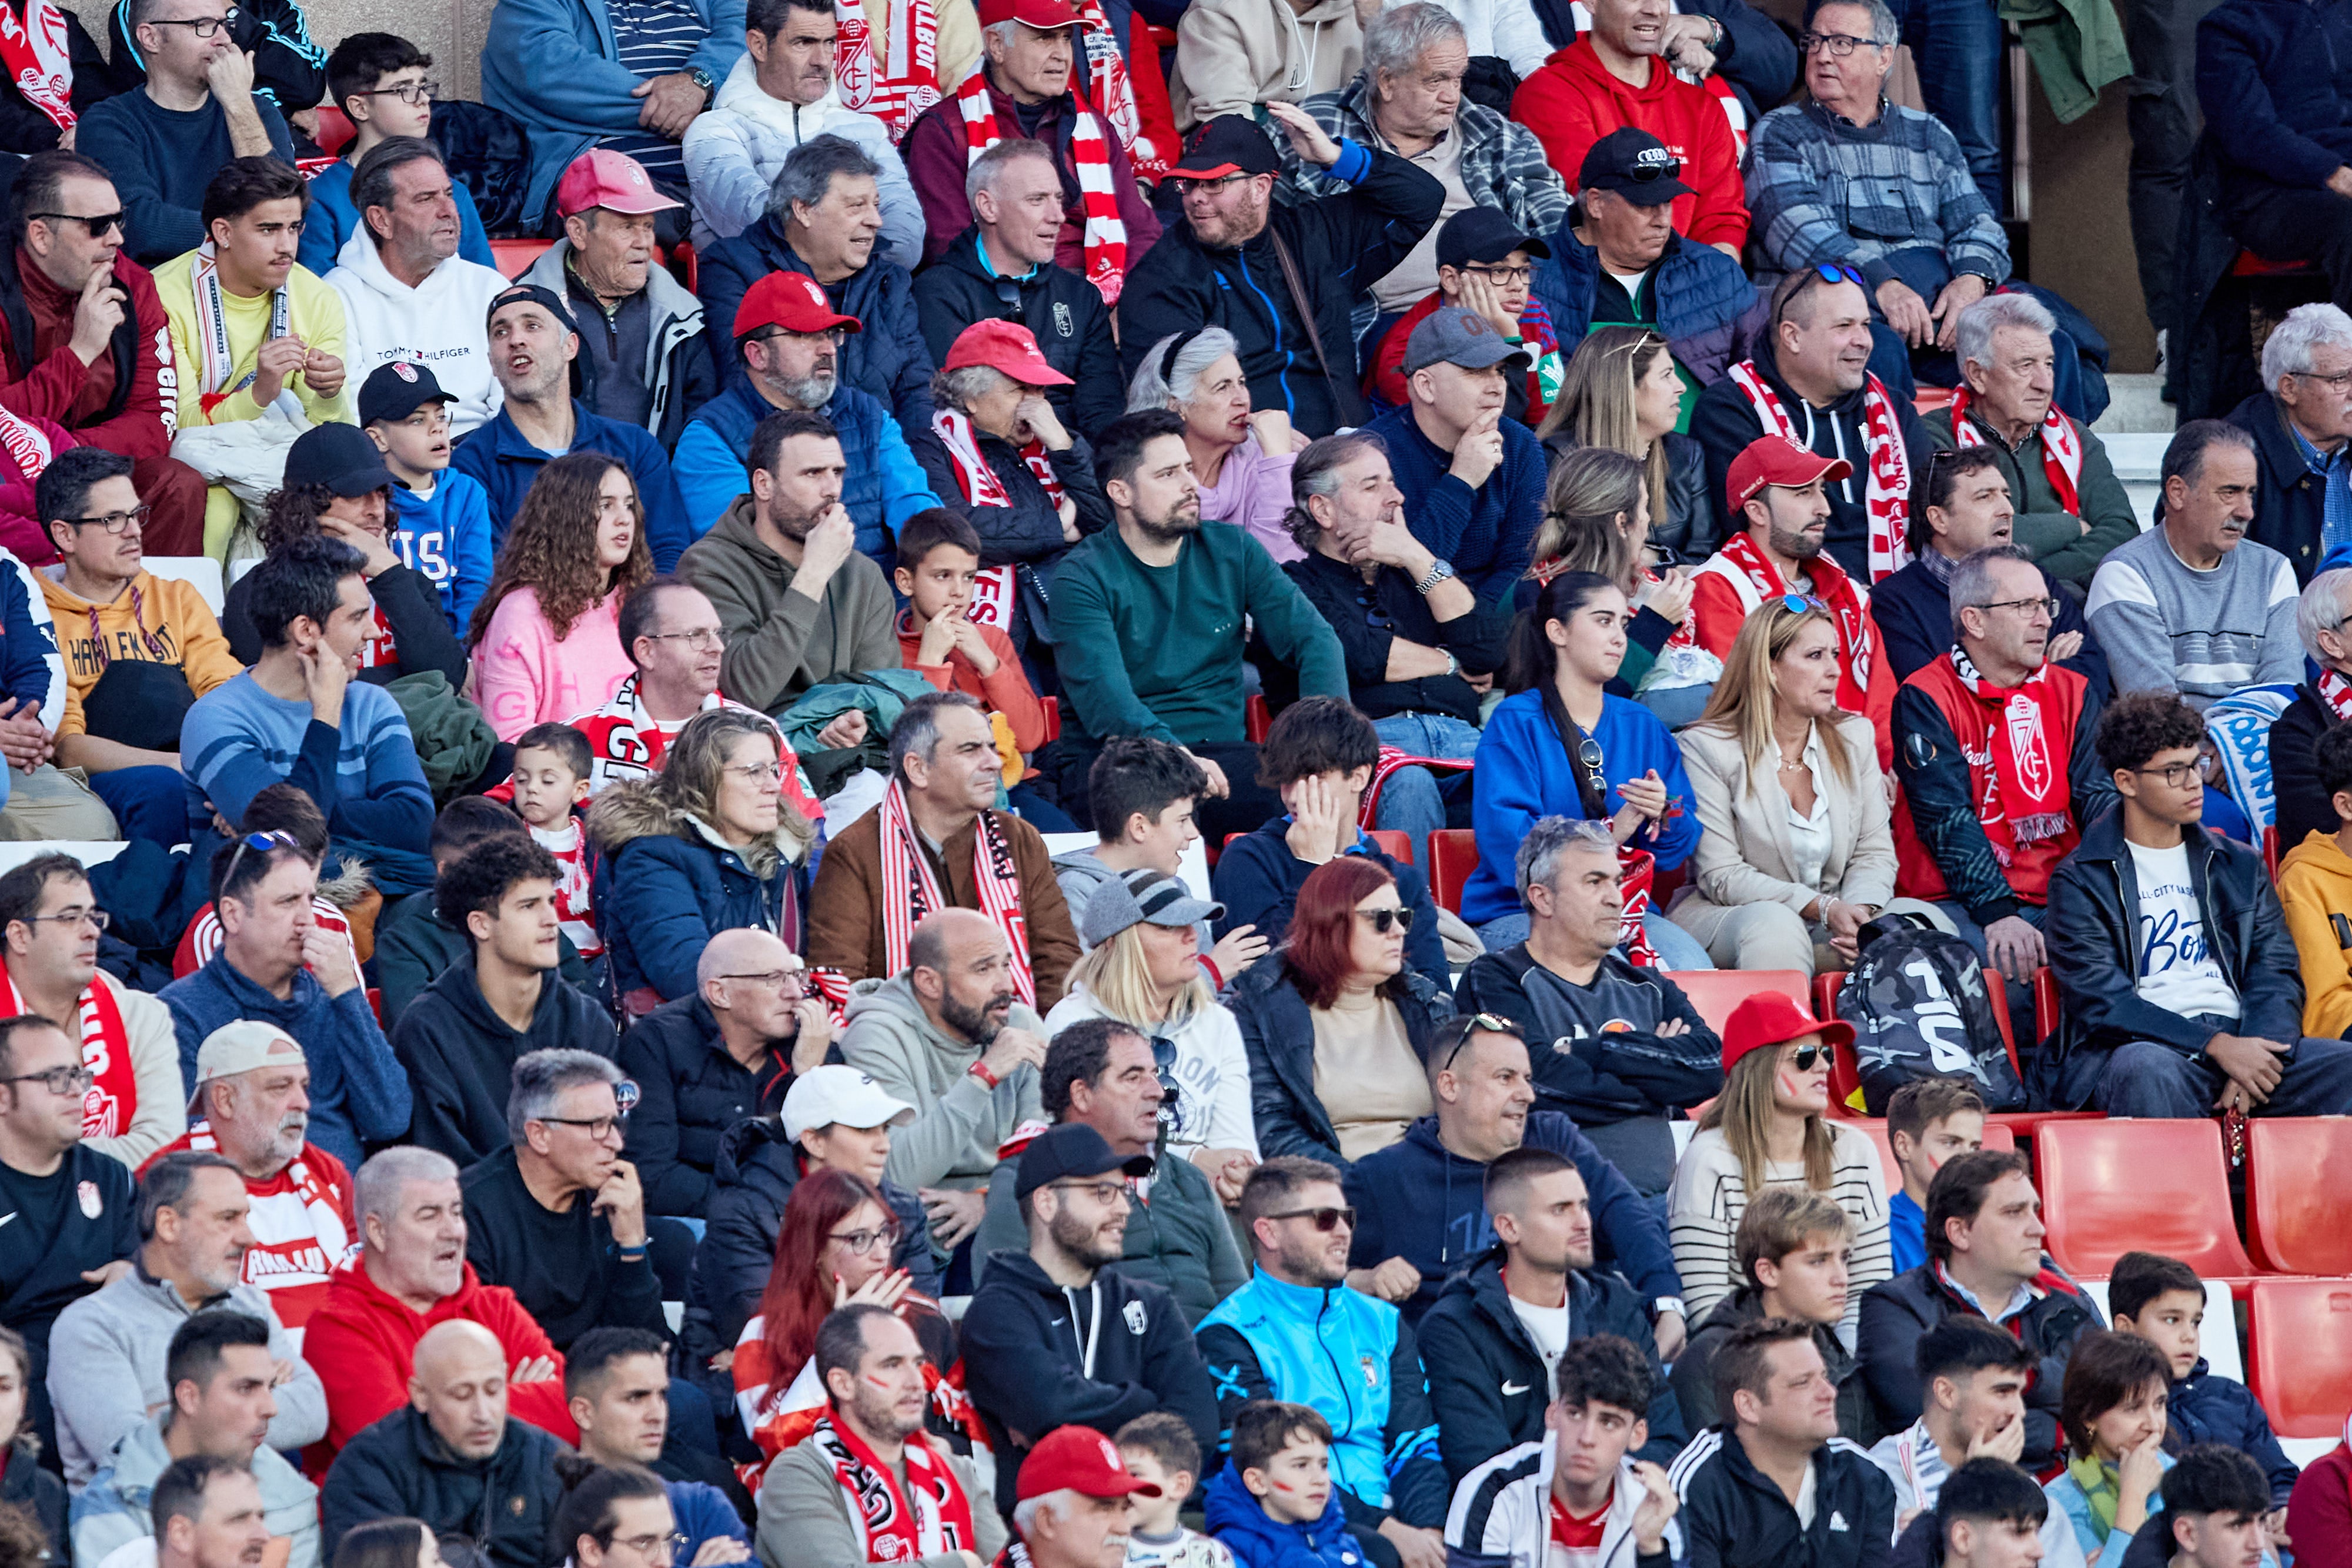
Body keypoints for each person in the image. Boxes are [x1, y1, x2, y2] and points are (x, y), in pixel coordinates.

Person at [1746, 5, 2100, 416]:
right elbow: (1796, 231)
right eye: (1816, 42)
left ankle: (2050, 476)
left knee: (2045, 348)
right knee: (1876, 352)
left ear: (1884, 56)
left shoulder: (1929, 134)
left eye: (1842, 44)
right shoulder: (1780, 131)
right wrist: (1884, 284)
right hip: (1842, 311)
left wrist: (1970, 281)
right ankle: (1898, 477)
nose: (1823, 55)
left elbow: (1979, 223)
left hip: (1935, 314)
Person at [2046, 688, 2352, 1115]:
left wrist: (2258, 1056)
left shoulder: (2240, 865)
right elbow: (2103, 1001)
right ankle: (2185, 1185)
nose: (2195, 782)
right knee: (2145, 1070)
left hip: (2244, 1037)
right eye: (2174, 771)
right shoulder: (2082, 878)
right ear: (2126, 781)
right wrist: (2215, 1046)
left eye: (2197, 763)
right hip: (2150, 1044)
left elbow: (2276, 972)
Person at [1050, 410, 1348, 842]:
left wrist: (1322, 747)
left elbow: (1315, 639)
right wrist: (1180, 760)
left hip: (1222, 755)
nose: (1190, 483)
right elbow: (1109, 705)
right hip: (1119, 762)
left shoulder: (1231, 548)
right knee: (1270, 803)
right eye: (1169, 473)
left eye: (1189, 468)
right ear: (1121, 492)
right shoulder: (1082, 577)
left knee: (1318, 789)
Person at [1340, 1014, 1683, 1336]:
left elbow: (1622, 1211)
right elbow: (1306, 1275)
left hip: (1570, 1355)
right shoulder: (1382, 1178)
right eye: (1506, 1078)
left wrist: (1665, 1303)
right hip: (1450, 1373)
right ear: (1449, 1086)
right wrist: (1363, 1281)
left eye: (1528, 1079)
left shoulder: (1552, 1139)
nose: (1528, 1095)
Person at [1120, 112, 1445, 441]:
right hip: (1243, 460)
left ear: (1261, 187)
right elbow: (1169, 400)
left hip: (1346, 447)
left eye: (1214, 183)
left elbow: (1422, 200)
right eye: (1189, 183)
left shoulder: (1313, 234)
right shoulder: (1162, 276)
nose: (1195, 197)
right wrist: (1258, 445)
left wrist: (1336, 156)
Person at [958, 1121, 1220, 1509]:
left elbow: (1198, 1425)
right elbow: (1047, 1406)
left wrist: (1075, 1418)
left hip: (1148, 1522)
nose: (1123, 1207)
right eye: (1102, 1192)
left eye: (1123, 1191)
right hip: (1045, 1537)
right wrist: (1147, 1401)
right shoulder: (997, 1310)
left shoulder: (1151, 1304)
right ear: (1046, 1202)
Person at [1454, 817, 1721, 1195]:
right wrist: (1659, 1084)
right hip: (1550, 1213)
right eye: (1595, 882)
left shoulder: (1648, 986)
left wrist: (1596, 1051)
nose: (1616, 897)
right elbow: (1536, 1084)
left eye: (1617, 881)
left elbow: (1709, 1068)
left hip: (1662, 1206)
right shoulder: (1496, 979)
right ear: (1543, 898)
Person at [1891, 543, 2112, 999]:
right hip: (1958, 900)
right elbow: (1947, 820)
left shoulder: (2073, 691)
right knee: (2005, 982)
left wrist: (2102, 897)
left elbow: (2099, 800)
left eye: (2044, 604)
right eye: (2024, 606)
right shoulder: (1926, 696)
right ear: (1974, 621)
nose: (2045, 620)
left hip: (2060, 892)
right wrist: (1998, 912)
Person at [1459, 570, 1705, 963]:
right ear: (1558, 632)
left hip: (1624, 910)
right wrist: (1609, 834)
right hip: (1525, 913)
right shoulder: (1515, 722)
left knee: (1693, 969)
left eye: (1624, 623)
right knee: (1613, 974)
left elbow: (1677, 845)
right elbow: (1511, 848)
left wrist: (1665, 809)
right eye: (1604, 620)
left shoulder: (1642, 725)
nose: (1620, 637)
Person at [176, 533, 437, 891]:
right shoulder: (217, 718)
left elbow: (416, 824)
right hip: (265, 919)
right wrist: (326, 714)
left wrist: (298, 817)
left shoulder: (373, 705)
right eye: (358, 617)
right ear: (306, 631)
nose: (375, 633)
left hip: (381, 904)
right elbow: (283, 840)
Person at [1277, 437, 1510, 839]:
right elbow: (1360, 653)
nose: (1396, 497)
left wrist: (1417, 556)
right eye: (1372, 487)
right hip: (1370, 747)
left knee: (1521, 774)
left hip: (1462, 738)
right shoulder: (1294, 583)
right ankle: (1411, 905)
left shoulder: (1419, 572)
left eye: (1392, 482)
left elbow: (1487, 650)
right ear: (1323, 509)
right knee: (1411, 784)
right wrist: (1452, 662)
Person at [46, 1149, 325, 1485]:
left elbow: (311, 1412)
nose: (249, 1238)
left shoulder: (251, 1304)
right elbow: (132, 1453)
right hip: (144, 1530)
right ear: (168, 1224)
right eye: (227, 1218)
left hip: (261, 1520)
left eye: (245, 1217)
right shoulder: (91, 1325)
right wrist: (261, 1394)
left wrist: (174, 1414)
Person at [1284, 6, 1570, 328]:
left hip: (1492, 320)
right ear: (1388, 81)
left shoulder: (1497, 136)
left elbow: (1560, 233)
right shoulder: (1316, 127)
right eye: (1437, 80)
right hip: (1365, 322)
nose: (1452, 96)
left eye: (1459, 77)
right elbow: (1270, 240)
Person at [1416, 1144, 1685, 1484]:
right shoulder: (1456, 1326)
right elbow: (1480, 1464)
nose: (1583, 1223)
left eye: (1583, 1206)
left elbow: (1665, 1437)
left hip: (1621, 1514)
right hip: (1512, 1523)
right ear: (1509, 1228)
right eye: (1560, 1210)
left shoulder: (1616, 1305)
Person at [156, 825, 409, 1169]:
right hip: (248, 1208)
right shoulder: (181, 1012)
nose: (307, 919)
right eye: (288, 902)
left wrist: (349, 994)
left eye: (311, 899)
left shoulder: (333, 997)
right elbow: (186, 1149)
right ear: (233, 915)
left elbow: (390, 1119)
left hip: (343, 1209)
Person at [1670, 596, 1896, 978]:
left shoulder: (1854, 735)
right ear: (1770, 668)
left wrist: (1860, 919)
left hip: (1836, 920)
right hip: (1735, 915)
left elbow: (1874, 852)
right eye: (1815, 656)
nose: (1835, 670)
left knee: (1925, 922)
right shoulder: (1707, 748)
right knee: (1776, 926)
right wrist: (1822, 907)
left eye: (1836, 654)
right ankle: (1788, 1041)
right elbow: (1722, 875)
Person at [808, 690, 1082, 1002]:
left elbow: (1058, 961)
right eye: (971, 750)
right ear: (919, 769)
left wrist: (1042, 1040)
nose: (994, 762)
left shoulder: (1018, 838)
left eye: (991, 747)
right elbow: (838, 983)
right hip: (902, 1042)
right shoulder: (854, 854)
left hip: (1022, 1034)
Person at [299, 1146, 576, 1456]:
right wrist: (517, 1397)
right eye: (430, 1216)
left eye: (456, 1212)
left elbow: (579, 1413)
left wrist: (444, 1414)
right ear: (378, 1231)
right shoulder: (337, 1328)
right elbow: (402, 1448)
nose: (454, 1232)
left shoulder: (497, 1308)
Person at [972, 1015, 1248, 1323]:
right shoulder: (1027, 1179)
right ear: (1082, 1095)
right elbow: (1008, 1313)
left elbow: (1237, 1303)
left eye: (1155, 1075)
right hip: (1105, 1365)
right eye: (1133, 1078)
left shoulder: (1188, 1179)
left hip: (1212, 1362)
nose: (1158, 1091)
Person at [0, 151, 207, 556]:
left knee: (178, 483)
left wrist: (69, 453)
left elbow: (155, 421)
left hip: (95, 466)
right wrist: (79, 353)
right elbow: (2, 427)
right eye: (98, 226)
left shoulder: (135, 285)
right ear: (41, 235)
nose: (118, 238)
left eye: (119, 219)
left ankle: (159, 614)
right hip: (9, 482)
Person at [34, 446, 242, 845]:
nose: (134, 531)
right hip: (102, 782)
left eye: (135, 514)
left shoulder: (177, 597)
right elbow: (69, 749)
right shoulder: (39, 615)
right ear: (64, 534)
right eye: (113, 519)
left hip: (188, 759)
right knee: (162, 789)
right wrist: (177, 765)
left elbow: (224, 691)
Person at [154, 159, 352, 559]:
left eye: (294, 228)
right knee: (217, 511)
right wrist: (261, 392)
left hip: (281, 457)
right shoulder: (163, 295)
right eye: (268, 230)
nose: (287, 246)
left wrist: (330, 392)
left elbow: (330, 432)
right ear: (223, 232)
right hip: (197, 460)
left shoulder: (318, 297)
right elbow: (177, 426)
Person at [1855, 1149, 2098, 1471]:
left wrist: (2027, 1377)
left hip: (2066, 1500)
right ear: (1960, 1232)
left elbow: (2107, 1402)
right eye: (2014, 1212)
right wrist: (2058, 1432)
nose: (2038, 1228)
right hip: (1948, 1501)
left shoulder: (2065, 1299)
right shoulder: (1895, 1305)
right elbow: (1928, 1419)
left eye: (2034, 1211)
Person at [836, 905, 1048, 1266]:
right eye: (984, 969)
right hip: (918, 1231)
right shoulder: (877, 1035)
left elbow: (1050, 1154)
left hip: (1007, 1212)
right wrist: (983, 1077)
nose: (1006, 985)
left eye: (1006, 964)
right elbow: (899, 1172)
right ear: (929, 982)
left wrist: (987, 1200)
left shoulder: (1019, 1023)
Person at [1668, 992, 1890, 1332]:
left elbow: (1867, 1292)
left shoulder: (1854, 1150)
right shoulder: (1709, 1158)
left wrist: (1846, 1374)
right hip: (1744, 1355)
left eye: (1826, 1054)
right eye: (1804, 1056)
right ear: (1759, 1067)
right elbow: (1707, 1310)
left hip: (1839, 1359)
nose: (1824, 1066)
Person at [672, 269, 937, 550]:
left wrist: (937, 555)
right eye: (805, 335)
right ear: (757, 354)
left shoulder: (868, 415)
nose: (828, 349)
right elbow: (746, 555)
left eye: (831, 334)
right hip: (787, 592)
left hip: (884, 591)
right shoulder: (711, 437)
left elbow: (917, 512)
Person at [1690, 266, 1932, 574]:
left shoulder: (1893, 408)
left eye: (1866, 325)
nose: (1864, 341)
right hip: (1790, 602)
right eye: (1844, 326)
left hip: (1898, 596)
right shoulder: (1730, 411)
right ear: (1792, 337)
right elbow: (1760, 530)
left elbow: (1931, 514)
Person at [392, 837, 618, 1166]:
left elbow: (609, 1142)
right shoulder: (428, 1030)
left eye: (551, 902)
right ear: (481, 924)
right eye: (529, 906)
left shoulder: (586, 1020)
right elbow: (443, 1166)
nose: (551, 920)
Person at [900, 0, 1161, 281]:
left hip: (1103, 296)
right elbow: (948, 250)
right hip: (1000, 301)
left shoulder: (1094, 126)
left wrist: (1128, 308)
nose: (1062, 55)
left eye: (1066, 39)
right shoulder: (945, 131)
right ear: (997, 45)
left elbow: (1141, 231)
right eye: (1045, 38)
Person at [724, 1165, 964, 1466]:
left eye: (884, 1233)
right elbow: (779, 1449)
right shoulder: (763, 1336)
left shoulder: (925, 1318)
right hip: (816, 1499)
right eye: (859, 1239)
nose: (881, 1254)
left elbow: (969, 1432)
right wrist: (839, 1340)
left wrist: (943, 1452)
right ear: (813, 1251)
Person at [1035, 887, 1259, 1208]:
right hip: (1106, 1202)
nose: (1192, 935)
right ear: (1117, 942)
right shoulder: (1073, 1021)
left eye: (1192, 924)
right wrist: (1192, 1159)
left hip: (1206, 1208)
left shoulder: (1218, 1022)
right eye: (1168, 927)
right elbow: (1070, 1143)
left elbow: (1236, 1148)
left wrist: (1236, 1174)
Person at [215, 423, 473, 697]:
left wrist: (390, 574)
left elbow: (448, 679)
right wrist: (401, 684)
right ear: (310, 506)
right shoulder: (257, 591)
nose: (376, 510)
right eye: (358, 495)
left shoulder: (408, 584)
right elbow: (283, 689)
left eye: (382, 494)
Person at [673, 406, 897, 723]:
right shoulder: (708, 568)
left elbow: (881, 696)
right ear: (764, 485)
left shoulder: (862, 574)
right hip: (751, 757)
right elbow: (745, 692)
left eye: (838, 472)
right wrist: (813, 575)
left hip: (852, 757)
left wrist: (854, 726)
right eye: (813, 473)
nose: (832, 489)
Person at [1214, 696, 1453, 992]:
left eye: (1312, 777)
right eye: (1286, 779)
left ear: (1358, 776)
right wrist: (1311, 868)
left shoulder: (1401, 880)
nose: (1293, 796)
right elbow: (1270, 982)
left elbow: (1435, 993)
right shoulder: (1248, 858)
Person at [1524, 137, 1756, 442]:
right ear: (1595, 203)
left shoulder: (1717, 274)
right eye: (1645, 205)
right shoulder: (1533, 279)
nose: (1662, 220)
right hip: (1588, 470)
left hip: (1704, 468)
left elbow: (1761, 376)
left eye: (1668, 203)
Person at [590, 706, 820, 1011]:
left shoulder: (788, 852)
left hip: (770, 1034)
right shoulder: (652, 858)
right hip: (687, 1048)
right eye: (754, 772)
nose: (774, 786)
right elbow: (688, 978)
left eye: (774, 769)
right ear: (705, 778)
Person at [694, 135, 934, 426]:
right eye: (856, 206)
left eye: (875, 205)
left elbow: (919, 396)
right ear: (804, 210)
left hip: (884, 457)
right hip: (785, 457)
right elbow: (744, 386)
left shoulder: (890, 282)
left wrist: (911, 469)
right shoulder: (734, 268)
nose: (876, 221)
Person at [1225, 855, 1448, 1169]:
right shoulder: (1262, 1011)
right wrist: (1361, 1185)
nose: (1398, 931)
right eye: (1382, 918)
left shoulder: (1427, 1005)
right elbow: (1273, 1132)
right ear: (1332, 924)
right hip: (1329, 1195)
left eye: (1403, 918)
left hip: (1430, 1185)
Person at [907, 318, 1112, 657]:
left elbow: (1105, 519)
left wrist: (1064, 445)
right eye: (1021, 389)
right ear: (971, 397)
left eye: (1041, 390)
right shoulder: (930, 447)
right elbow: (956, 531)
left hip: (1070, 624)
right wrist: (1055, 528)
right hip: (983, 639)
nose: (1038, 405)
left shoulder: (1056, 445)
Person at [452, 283, 693, 570]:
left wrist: (639, 612)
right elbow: (489, 574)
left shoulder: (635, 447)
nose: (516, 339)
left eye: (532, 326)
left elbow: (668, 549)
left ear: (570, 347)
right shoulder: (470, 465)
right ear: (492, 363)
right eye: (501, 332)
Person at [146, 1022, 355, 1346]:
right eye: (280, 1087)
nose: (303, 1103)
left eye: (303, 1086)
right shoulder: (165, 1178)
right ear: (225, 1100)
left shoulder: (328, 1172)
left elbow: (361, 1286)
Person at [1685, 437, 1897, 755]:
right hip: (1775, 775)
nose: (1824, 508)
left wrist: (1877, 769)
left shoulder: (1848, 593)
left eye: (1821, 490)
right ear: (1757, 511)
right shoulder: (1718, 588)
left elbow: (1883, 704)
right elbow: (1748, 703)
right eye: (1803, 493)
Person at [755, 1301, 1004, 1568]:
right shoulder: (799, 1474)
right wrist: (961, 1563)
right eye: (892, 1365)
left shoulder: (956, 1470)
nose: (915, 1382)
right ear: (843, 1384)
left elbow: (1010, 1562)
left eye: (918, 1364)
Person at [67, 1310, 322, 1568]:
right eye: (246, 1389)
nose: (271, 1407)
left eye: (271, 1388)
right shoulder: (113, 1500)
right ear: (189, 1397)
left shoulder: (292, 1496)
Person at [457, 1049, 667, 1353]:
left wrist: (632, 1243)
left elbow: (649, 1346)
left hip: (600, 1378)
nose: (616, 1143)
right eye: (597, 1126)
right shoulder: (468, 1211)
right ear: (540, 1135)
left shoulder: (611, 1196)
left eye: (616, 1123)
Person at [914, 139, 1122, 442]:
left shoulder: (1081, 298)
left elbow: (1102, 416)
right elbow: (957, 411)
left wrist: (1071, 461)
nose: (1058, 216)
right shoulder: (937, 294)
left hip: (1071, 464)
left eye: (1058, 199)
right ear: (988, 207)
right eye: (1037, 200)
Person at [1923, 295, 2138, 589]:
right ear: (1978, 375)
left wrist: (2031, 581)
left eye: (2048, 364)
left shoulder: (2075, 437)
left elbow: (2122, 535)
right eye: (2025, 366)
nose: (2045, 383)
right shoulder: (1936, 437)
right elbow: (1967, 534)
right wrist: (2071, 526)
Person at [319, 1318, 569, 1568]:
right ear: (421, 1395)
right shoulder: (368, 1468)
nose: (483, 1413)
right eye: (462, 1395)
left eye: (494, 1390)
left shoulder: (548, 1460)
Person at [680, 0, 921, 256]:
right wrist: (852, 254)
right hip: (757, 293)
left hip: (865, 292)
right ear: (759, 46)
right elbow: (765, 224)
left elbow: (906, 240)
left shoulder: (865, 130)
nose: (822, 61)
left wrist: (855, 281)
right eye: (804, 43)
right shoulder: (713, 132)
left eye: (829, 42)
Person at [2086, 422, 2300, 708]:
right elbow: (2156, 711)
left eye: (2250, 492)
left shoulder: (2274, 571)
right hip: (2169, 750)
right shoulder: (2126, 575)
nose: (2247, 511)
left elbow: (2282, 697)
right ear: (2177, 493)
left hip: (2257, 750)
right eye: (2229, 492)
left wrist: (2229, 747)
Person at [479, 0, 743, 233]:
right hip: (606, 190)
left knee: (772, 215)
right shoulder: (528, 5)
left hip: (725, 175)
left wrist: (700, 82)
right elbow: (549, 71)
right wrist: (682, 112)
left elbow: (753, 35)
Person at [619, 927, 831, 1217]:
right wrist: (755, 1209)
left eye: (796, 977)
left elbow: (840, 1164)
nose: (795, 993)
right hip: (698, 1223)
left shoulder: (812, 1042)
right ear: (720, 993)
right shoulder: (655, 1044)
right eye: (773, 979)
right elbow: (650, 1175)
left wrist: (807, 1079)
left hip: (793, 1218)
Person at [1508, 0, 1745, 258]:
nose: (1653, 10)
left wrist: (1714, 284)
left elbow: (1722, 224)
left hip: (1694, 284)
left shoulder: (1702, 106)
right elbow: (1599, 215)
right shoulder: (1547, 94)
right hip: (1597, 286)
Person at [0, 1012, 137, 1459]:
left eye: (79, 1074)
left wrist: (132, 1274)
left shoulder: (111, 1178)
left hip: (104, 1368)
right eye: (55, 1078)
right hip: (17, 1383)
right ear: (3, 1096)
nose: (79, 1090)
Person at [517, 150, 714, 450]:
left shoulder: (683, 316)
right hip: (559, 484)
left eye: (648, 226)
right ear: (579, 233)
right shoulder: (523, 311)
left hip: (653, 481)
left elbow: (700, 420)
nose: (644, 243)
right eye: (627, 227)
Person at [1869, 446, 2107, 693]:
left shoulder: (2036, 582)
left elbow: (2093, 678)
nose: (2008, 510)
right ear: (1939, 519)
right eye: (1985, 497)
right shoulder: (1893, 605)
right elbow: (1931, 702)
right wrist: (2047, 678)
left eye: (2006, 495)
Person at [74, 0, 295, 265]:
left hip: (256, 291)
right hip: (160, 295)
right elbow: (143, 227)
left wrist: (238, 103)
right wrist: (250, 234)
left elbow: (284, 209)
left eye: (225, 25)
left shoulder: (256, 111)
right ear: (151, 38)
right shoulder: (108, 122)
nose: (224, 39)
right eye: (203, 26)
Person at [1666, 1317, 1897, 1568]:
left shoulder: (1865, 1478)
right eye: (1803, 1383)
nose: (1829, 1393)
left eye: (1824, 1376)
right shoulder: (1695, 1483)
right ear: (1748, 1406)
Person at [0, 851, 182, 1168]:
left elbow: (162, 1148)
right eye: (70, 918)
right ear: (19, 936)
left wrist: (38, 1165)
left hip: (121, 1215)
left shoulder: (142, 1017)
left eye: (93, 917)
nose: (92, 932)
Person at [324, 139, 511, 442]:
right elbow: (355, 414)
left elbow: (512, 402)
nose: (448, 210)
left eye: (448, 194)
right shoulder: (336, 296)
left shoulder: (489, 288)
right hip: (391, 461)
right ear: (381, 220)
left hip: (486, 454)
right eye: (426, 199)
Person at [1443, 1334, 1683, 1568]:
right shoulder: (1492, 1492)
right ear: (1553, 1414)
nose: (1587, 1438)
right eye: (1575, 1414)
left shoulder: (1657, 1508)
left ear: (1637, 1434)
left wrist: (1651, 1551)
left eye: (1609, 1423)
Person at [1361, 305, 1544, 606]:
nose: (1498, 387)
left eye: (1500, 371)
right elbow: (1395, 584)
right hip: (1404, 630)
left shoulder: (1520, 444)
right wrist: (1461, 481)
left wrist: (1474, 628)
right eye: (1476, 372)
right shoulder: (1370, 456)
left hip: (1494, 628)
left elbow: (1521, 566)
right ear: (1426, 386)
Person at [467, 456, 654, 741]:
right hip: (552, 779)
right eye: (606, 505)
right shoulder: (520, 612)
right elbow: (510, 739)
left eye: (629, 504)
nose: (624, 518)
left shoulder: (640, 602)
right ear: (567, 516)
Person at [374, 798, 599, 1028]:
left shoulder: (533, 920)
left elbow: (588, 1010)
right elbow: (416, 1033)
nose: (508, 879)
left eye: (516, 867)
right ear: (447, 872)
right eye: (492, 869)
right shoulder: (407, 935)